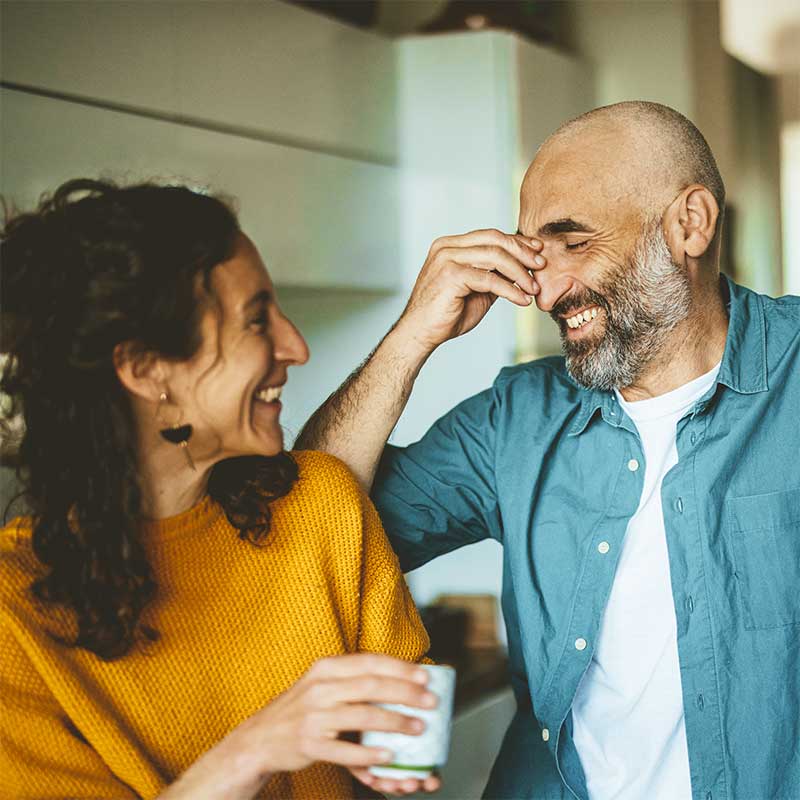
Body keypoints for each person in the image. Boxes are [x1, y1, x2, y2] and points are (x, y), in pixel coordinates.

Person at [297, 101, 800, 800]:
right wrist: (412, 334)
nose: (546, 290)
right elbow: (310, 531)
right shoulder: (518, 416)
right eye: (534, 251)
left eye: (575, 241)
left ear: (690, 223)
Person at [0, 179, 443, 799]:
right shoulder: (13, 615)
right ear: (147, 369)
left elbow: (403, 748)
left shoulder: (323, 504)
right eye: (257, 320)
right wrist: (257, 748)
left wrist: (397, 749)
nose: (296, 346)